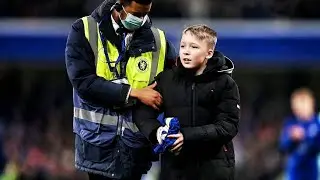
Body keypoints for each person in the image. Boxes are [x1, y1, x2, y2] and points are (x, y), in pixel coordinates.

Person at [65, 0, 177, 179]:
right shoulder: (84, 30)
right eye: (137, 14)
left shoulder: (160, 41)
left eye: (145, 14)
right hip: (97, 144)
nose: (141, 20)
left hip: (136, 148)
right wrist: (134, 93)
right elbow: (83, 82)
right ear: (119, 6)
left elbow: (178, 84)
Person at [133, 24, 240, 180]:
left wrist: (186, 136)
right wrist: (157, 133)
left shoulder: (225, 84)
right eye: (183, 45)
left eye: (194, 47)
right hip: (175, 169)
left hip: (213, 169)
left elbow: (228, 126)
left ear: (209, 53)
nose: (186, 51)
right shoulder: (166, 79)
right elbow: (142, 113)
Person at [279, 88, 320, 180]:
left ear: (310, 103)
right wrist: (291, 138)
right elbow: (283, 145)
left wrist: (304, 136)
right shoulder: (291, 123)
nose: (296, 108)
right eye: (294, 105)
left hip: (312, 172)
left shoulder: (317, 123)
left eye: (300, 104)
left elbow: (317, 146)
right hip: (294, 172)